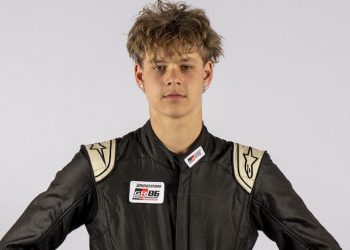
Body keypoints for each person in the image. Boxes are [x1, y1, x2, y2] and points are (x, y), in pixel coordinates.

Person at [0, 0, 342, 249]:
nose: (173, 79)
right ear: (140, 76)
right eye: (160, 67)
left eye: (186, 66)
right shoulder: (99, 167)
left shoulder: (247, 171)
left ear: (207, 73)